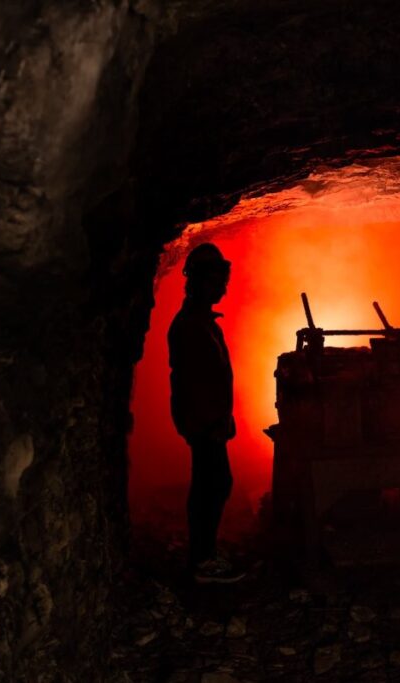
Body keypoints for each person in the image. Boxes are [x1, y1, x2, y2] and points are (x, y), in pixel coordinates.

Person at [168, 243, 244, 584]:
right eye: (215, 280)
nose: (221, 287)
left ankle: (205, 552)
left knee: (213, 484)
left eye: (222, 280)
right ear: (196, 281)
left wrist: (223, 417)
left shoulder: (201, 322)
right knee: (211, 486)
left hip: (209, 421)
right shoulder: (190, 326)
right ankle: (202, 561)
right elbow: (191, 381)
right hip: (203, 423)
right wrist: (208, 423)